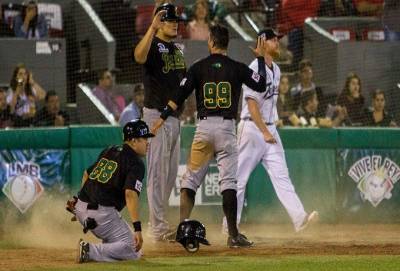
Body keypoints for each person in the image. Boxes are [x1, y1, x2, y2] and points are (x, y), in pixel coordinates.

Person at [152, 24, 268, 248]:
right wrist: (261, 59)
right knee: (229, 184)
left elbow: (179, 94)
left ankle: (182, 229)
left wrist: (163, 116)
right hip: (226, 129)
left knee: (190, 181)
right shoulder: (237, 67)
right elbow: (261, 84)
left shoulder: (198, 67)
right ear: (227, 43)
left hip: (204, 129)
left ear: (212, 42)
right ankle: (233, 235)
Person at [222, 28, 318, 234]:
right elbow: (252, 104)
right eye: (274, 40)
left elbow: (268, 104)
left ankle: (300, 219)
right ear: (263, 43)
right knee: (239, 180)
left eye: (278, 40)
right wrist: (265, 130)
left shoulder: (276, 69)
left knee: (282, 176)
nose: (278, 43)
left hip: (269, 129)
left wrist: (271, 127)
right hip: (251, 129)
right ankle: (229, 227)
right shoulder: (254, 68)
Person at [134, 3, 186, 242]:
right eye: (169, 20)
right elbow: (138, 56)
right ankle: (157, 230)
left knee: (170, 175)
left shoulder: (177, 50)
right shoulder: (153, 44)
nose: (175, 23)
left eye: (176, 20)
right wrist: (152, 29)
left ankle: (158, 223)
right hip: (156, 117)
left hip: (174, 119)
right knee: (157, 174)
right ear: (159, 22)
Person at [71, 119, 154, 263]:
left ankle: (107, 249)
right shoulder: (136, 163)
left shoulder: (110, 150)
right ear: (133, 141)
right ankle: (89, 251)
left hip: (80, 208)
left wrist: (80, 206)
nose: (148, 142)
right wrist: (138, 229)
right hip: (101, 215)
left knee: (121, 240)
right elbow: (130, 194)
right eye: (144, 138)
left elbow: (86, 174)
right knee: (133, 249)